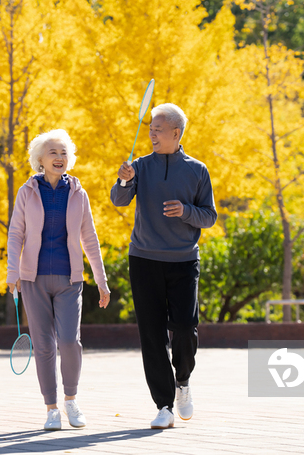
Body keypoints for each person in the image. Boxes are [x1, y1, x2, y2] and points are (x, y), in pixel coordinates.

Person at [110, 103, 217, 429]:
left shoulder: (197, 170)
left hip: (183, 261)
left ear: (176, 133)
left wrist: (185, 210)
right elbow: (118, 199)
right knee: (152, 334)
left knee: (184, 327)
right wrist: (125, 182)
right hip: (144, 259)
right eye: (150, 130)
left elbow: (209, 216)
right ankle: (164, 405)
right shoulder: (140, 166)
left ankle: (182, 379)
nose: (152, 134)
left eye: (158, 129)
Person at [7, 129, 111, 431]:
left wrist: (101, 280)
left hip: (69, 279)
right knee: (43, 345)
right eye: (53, 152)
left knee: (68, 341)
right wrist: (12, 274)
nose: (60, 157)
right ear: (40, 159)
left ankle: (71, 399)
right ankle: (51, 408)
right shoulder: (27, 192)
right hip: (32, 279)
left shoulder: (78, 193)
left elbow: (89, 238)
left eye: (64, 152)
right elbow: (16, 234)